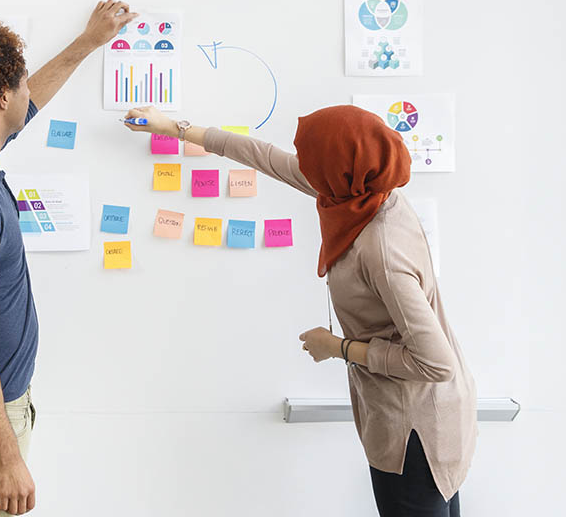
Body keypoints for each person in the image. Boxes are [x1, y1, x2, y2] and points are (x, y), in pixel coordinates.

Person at [122, 105, 477, 517]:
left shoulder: (380, 248)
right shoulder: (367, 194)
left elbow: (437, 363)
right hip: (428, 415)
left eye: (312, 159)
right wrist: (179, 129)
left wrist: (339, 347)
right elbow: (267, 159)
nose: (304, 166)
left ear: (338, 168)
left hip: (415, 433)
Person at [0, 0, 137, 516]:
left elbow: (24, 107)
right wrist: (8, 455)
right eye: (17, 83)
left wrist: (87, 42)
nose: (25, 91)